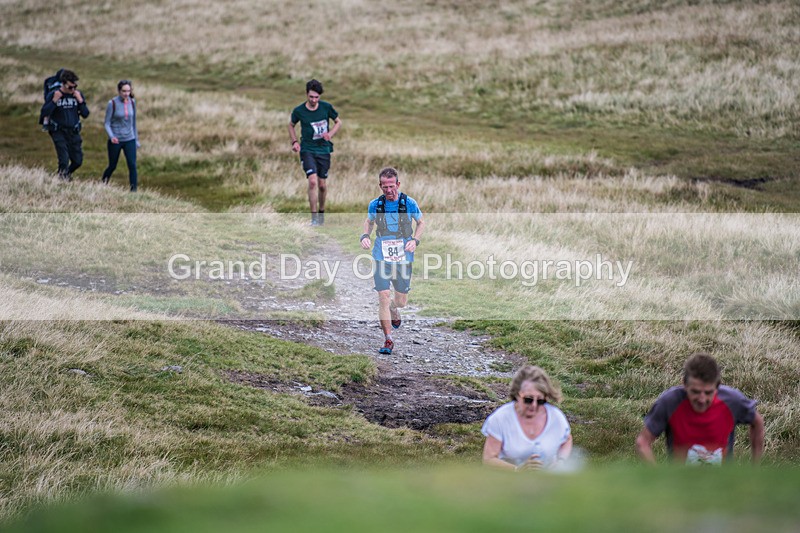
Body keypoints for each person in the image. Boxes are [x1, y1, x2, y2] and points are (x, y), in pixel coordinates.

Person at [636, 352, 765, 466]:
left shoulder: (732, 401)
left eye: (708, 392)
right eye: (695, 392)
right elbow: (643, 442)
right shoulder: (669, 402)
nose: (702, 399)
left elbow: (757, 422)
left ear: (717, 386)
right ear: (685, 385)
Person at [360, 167, 424, 355]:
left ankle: (395, 309)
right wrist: (365, 235)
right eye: (384, 187)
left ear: (398, 184)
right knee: (383, 296)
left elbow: (421, 223)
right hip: (381, 255)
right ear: (380, 186)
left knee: (401, 301)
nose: (388, 190)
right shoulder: (375, 205)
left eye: (391, 186)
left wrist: (415, 240)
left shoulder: (409, 203)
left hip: (403, 256)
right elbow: (369, 221)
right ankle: (388, 339)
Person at [482, 365, 573, 471]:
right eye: (528, 399)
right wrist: (517, 470)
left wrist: (561, 461)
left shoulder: (556, 417)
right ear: (517, 394)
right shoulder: (500, 419)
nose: (534, 405)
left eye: (540, 401)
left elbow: (567, 439)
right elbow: (488, 459)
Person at [288, 79, 342, 225]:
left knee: (322, 185)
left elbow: (339, 122)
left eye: (316, 97)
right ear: (307, 94)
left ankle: (321, 212)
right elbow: (291, 125)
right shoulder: (299, 111)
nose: (313, 100)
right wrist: (294, 142)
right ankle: (314, 219)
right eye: (311, 96)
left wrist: (330, 134)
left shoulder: (326, 107)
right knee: (312, 182)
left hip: (323, 149)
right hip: (307, 149)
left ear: (320, 97)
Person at [40, 69, 89, 181]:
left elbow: (85, 114)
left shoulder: (77, 95)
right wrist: (54, 101)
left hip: (73, 132)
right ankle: (62, 182)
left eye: (75, 86)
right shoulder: (54, 94)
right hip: (58, 131)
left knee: (77, 161)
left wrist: (80, 101)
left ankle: (63, 175)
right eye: (70, 87)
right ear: (63, 84)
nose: (73, 90)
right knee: (64, 159)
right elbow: (44, 112)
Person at [102, 80, 140, 192]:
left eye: (128, 91)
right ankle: (103, 183)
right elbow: (107, 123)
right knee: (112, 165)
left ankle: (134, 192)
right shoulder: (112, 103)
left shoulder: (132, 102)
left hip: (130, 139)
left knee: (132, 165)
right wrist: (111, 136)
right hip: (116, 140)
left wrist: (136, 140)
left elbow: (134, 123)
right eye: (124, 91)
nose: (126, 93)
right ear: (119, 91)